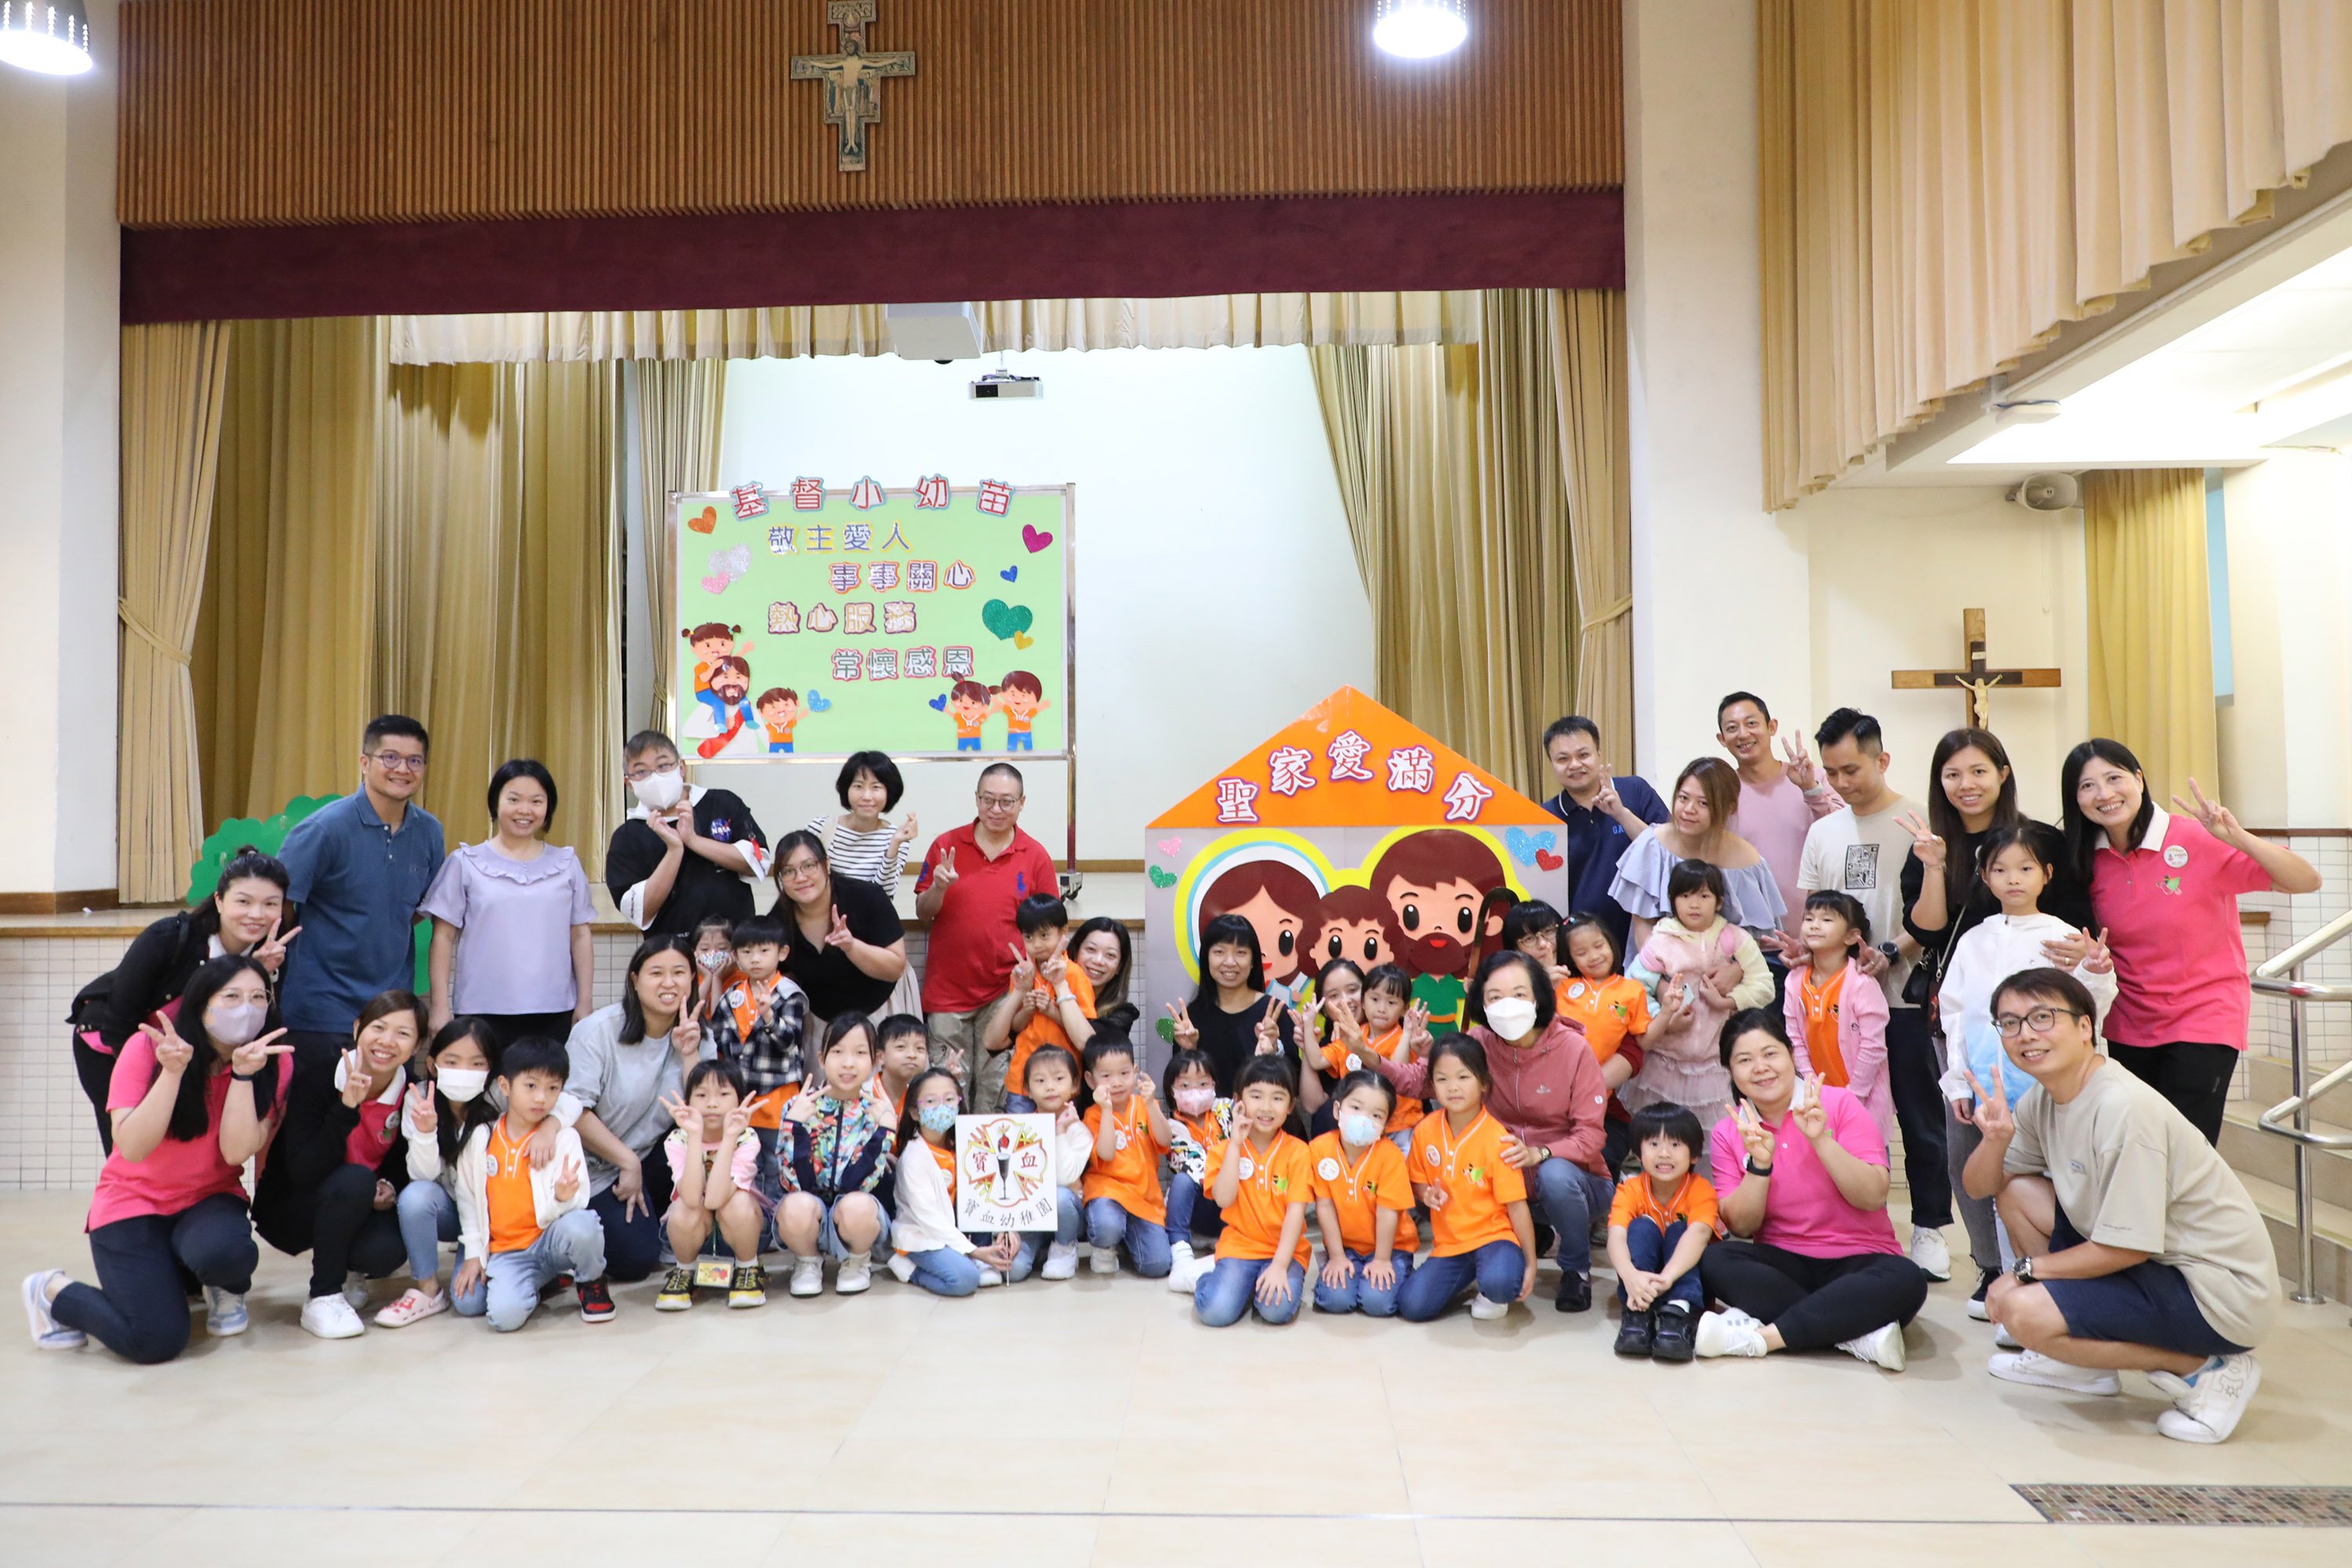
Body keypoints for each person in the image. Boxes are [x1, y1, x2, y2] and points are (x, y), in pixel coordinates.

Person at [1962, 969, 2281, 1443]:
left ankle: (2208, 1370)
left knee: (2024, 1313)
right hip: (2157, 1264)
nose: (2026, 1034)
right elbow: (1980, 1187)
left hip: (2218, 1294)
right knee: (2017, 1192)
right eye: (2010, 1023)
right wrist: (1995, 1141)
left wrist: (2027, 1271)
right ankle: (2080, 1365)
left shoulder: (2121, 1106)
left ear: (2085, 1027)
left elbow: (2127, 1249)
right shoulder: (2044, 1099)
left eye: (2042, 1017)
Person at [1901, 726, 2093, 1305]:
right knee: (1968, 1149)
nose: (1967, 783)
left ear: (2003, 774)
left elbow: (2078, 931)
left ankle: (2056, 1263)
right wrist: (1934, 866)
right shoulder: (1932, 845)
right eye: (1953, 774)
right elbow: (1927, 931)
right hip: (1969, 1032)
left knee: (2048, 1154)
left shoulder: (2041, 841)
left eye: (1979, 770)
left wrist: (2088, 963)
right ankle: (1991, 1266)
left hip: (2042, 1036)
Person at [25, 956, 292, 1363]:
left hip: (209, 1199)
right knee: (156, 1342)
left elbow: (236, 1152)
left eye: (259, 998)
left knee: (227, 1254)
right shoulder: (148, 1048)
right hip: (131, 1204)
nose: (247, 1008)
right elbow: (132, 1148)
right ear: (202, 1003)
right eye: (232, 997)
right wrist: (172, 1073)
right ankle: (52, 1292)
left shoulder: (274, 1061)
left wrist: (242, 1075)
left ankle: (224, 1285)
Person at [2064, 741, 2321, 1144]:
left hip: (2204, 1018)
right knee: (2142, 1146)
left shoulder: (2194, 838)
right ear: (2075, 798)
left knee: (2186, 1148)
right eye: (2088, 786)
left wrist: (2238, 837)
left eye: (2114, 778)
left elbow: (2306, 880)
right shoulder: (2084, 858)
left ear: (2139, 779)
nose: (2104, 794)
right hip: (2128, 1023)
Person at [1934, 824, 2119, 1311]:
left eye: (2025, 868)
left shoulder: (2061, 935)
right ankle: (2010, 1283)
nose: (2013, 879)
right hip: (1990, 1091)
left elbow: (2091, 1008)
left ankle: (2065, 1287)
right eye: (2000, 870)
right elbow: (1956, 1015)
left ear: (2046, 874)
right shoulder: (1973, 940)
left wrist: (2098, 971)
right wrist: (1958, 1082)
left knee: (2056, 1184)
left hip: (2051, 1091)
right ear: (1985, 877)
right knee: (1998, 1184)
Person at [1796, 707, 1949, 1281]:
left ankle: (1930, 1227)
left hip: (1903, 995)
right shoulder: (1822, 831)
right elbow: (1814, 912)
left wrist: (1891, 949)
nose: (1841, 783)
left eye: (1852, 770)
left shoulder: (1919, 820)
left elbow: (1938, 907)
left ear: (1882, 760)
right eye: (1832, 772)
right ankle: (1852, 1227)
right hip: (1835, 1003)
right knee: (1843, 1116)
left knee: (1919, 1115)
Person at [1373, 951, 1613, 1311]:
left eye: (1519, 994)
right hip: (1502, 1184)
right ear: (1482, 1003)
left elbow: (1591, 1137)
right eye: (1495, 997)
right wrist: (1368, 1054)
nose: (1507, 1005)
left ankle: (1576, 1269)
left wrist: (1541, 1153)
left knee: (1555, 1176)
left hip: (1574, 1181)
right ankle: (1488, 1253)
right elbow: (1422, 1081)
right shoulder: (1480, 1041)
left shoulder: (1574, 1049)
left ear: (1538, 997)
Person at [1694, 1011, 1927, 1370]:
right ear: (1730, 1071)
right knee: (1715, 1260)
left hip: (1861, 1260)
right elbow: (1741, 1226)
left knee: (1907, 1279)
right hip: (1784, 1262)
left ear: (1790, 1054)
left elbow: (1872, 1196)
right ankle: (1854, 1333)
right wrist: (1759, 1165)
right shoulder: (1731, 1131)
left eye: (1770, 1054)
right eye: (1744, 1060)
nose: (1760, 1068)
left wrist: (1820, 1140)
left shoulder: (1839, 1104)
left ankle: (1764, 1338)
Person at [68, 848, 296, 1153]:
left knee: (178, 1151)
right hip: (113, 1045)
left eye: (270, 904)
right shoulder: (169, 937)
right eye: (243, 901)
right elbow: (120, 1020)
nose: (256, 915)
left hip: (178, 1056)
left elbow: (262, 1026)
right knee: (134, 1149)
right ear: (219, 900)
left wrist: (260, 973)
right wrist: (142, 1077)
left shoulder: (273, 955)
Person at [251, 990, 427, 1338]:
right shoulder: (318, 1079)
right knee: (355, 1180)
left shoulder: (411, 1093)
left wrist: (389, 1185)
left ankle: (349, 1270)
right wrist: (346, 1108)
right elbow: (303, 1170)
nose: (387, 1041)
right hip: (294, 1206)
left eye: (403, 1033)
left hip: (359, 1203)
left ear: (417, 1045)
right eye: (379, 1027)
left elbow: (401, 1161)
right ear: (358, 1028)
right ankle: (323, 1295)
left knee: (386, 1252)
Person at [276, 714, 446, 1050]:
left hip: (392, 1010)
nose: (403, 769)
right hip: (321, 1010)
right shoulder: (325, 828)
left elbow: (421, 906)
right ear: (365, 763)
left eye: (414, 761)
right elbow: (281, 903)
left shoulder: (430, 832)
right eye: (391, 758)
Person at [554, 935, 708, 1283]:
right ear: (635, 980)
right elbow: (572, 1111)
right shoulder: (597, 1032)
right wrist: (627, 1161)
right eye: (656, 973)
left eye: (679, 973)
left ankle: (665, 1221)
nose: (669, 983)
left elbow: (702, 1115)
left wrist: (689, 1055)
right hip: (589, 1166)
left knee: (695, 1139)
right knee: (635, 1261)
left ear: (692, 979)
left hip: (648, 1159)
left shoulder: (697, 1037)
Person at [420, 759, 595, 1047]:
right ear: (495, 803)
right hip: (480, 1008)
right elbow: (443, 937)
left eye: (536, 801)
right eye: (514, 799)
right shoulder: (465, 863)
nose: (525, 810)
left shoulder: (567, 863)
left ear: (548, 808)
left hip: (554, 1009)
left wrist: (585, 1002)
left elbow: (580, 934)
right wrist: (440, 1006)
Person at [914, 763, 1060, 1109]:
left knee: (995, 1094)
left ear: (1022, 803)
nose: (996, 809)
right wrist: (938, 888)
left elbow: (1049, 928)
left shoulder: (1035, 855)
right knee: (947, 1092)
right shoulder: (946, 845)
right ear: (976, 799)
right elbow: (923, 912)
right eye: (988, 800)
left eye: (1006, 802)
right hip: (948, 993)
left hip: (1006, 993)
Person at [449, 1036, 612, 1329]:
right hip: (507, 1253)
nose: (541, 1098)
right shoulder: (481, 1137)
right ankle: (542, 1282)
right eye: (531, 1086)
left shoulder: (563, 1137)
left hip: (549, 1240)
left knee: (584, 1226)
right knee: (503, 1319)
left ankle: (591, 1281)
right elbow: (467, 1198)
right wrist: (474, 1254)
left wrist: (562, 1196)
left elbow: (580, 1199)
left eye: (553, 1088)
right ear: (504, 1086)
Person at [1396, 1036, 1540, 1322]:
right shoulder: (1425, 1130)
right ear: (1432, 1085)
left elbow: (1517, 1207)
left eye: (1463, 1077)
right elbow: (1418, 1181)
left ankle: (1492, 1281)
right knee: (1412, 1306)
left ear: (1484, 1083)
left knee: (1500, 1284)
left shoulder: (1498, 1139)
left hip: (1495, 1237)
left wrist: (1531, 1263)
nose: (1453, 1087)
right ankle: (1473, 1273)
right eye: (1442, 1079)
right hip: (1451, 1244)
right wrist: (1426, 1194)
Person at [1624, 860, 1770, 1129]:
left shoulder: (1733, 938)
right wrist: (1665, 1019)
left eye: (1704, 896)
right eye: (1685, 896)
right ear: (1672, 900)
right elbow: (1634, 990)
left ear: (1719, 901)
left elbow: (1764, 985)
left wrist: (1727, 1001)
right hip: (1665, 1062)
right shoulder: (1661, 941)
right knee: (1663, 1135)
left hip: (1717, 1063)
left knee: (1718, 1138)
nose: (1694, 904)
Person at [375, 1017, 498, 1328]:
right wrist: (426, 1132)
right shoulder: (418, 1098)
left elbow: (565, 1104)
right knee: (416, 1196)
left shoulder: (501, 1097)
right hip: (448, 1211)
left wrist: (550, 1127)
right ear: (432, 1064)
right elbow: (423, 1175)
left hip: (494, 1219)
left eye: (477, 1063)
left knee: (470, 1303)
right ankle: (427, 1289)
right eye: (452, 1062)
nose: (464, 1071)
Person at [604, 729, 771, 939]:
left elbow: (759, 862)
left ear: (681, 767)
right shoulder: (627, 835)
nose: (655, 777)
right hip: (670, 952)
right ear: (629, 782)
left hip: (735, 943)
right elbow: (639, 911)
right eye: (641, 772)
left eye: (663, 766)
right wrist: (674, 851)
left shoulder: (722, 803)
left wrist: (694, 840)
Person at [777, 1014, 895, 1298]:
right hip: (810, 1206)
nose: (848, 1063)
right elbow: (794, 1184)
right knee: (795, 1206)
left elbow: (858, 1184)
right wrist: (795, 1128)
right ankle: (807, 1261)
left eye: (860, 1053)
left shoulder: (877, 1111)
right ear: (822, 1058)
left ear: (876, 1060)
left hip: (853, 1209)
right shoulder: (799, 1105)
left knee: (858, 1206)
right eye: (838, 1052)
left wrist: (885, 1132)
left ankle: (857, 1260)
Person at [1609, 757, 1786, 946]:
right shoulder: (1652, 846)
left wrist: (1726, 966)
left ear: (1729, 808)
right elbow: (1643, 926)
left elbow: (1754, 940)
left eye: (1703, 803)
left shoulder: (1749, 862)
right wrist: (1661, 964)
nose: (1689, 810)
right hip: (1657, 960)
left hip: (1728, 962)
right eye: (1683, 798)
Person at [1192, 1055, 1313, 1327]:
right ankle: (1207, 1279)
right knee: (1215, 1314)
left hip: (1285, 1251)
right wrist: (1235, 1144)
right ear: (1239, 1101)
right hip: (1239, 1248)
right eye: (1256, 1096)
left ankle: (1251, 1286)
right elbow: (1224, 1199)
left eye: (1278, 1098)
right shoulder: (1223, 1150)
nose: (1266, 1107)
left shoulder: (1299, 1152)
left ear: (1290, 1105)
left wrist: (1280, 1266)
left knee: (1276, 1312)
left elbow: (1296, 1213)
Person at [1715, 692, 1841, 947]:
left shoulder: (1812, 777)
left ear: (1771, 727)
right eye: (1732, 728)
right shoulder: (1720, 793)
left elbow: (1843, 834)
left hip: (1817, 938)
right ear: (1722, 739)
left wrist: (1810, 790)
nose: (1743, 734)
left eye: (1751, 723)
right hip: (1746, 944)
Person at [1539, 715, 1670, 952]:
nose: (1575, 765)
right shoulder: (1545, 818)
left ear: (1599, 753)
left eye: (1583, 755)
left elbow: (1669, 853)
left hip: (1647, 935)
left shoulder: (1635, 790)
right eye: (1563, 759)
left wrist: (1622, 814)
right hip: (1582, 948)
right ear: (1551, 763)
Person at [886, 1069, 1022, 1296]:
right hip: (924, 1235)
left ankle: (978, 1257)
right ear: (915, 1112)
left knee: (1012, 1267)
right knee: (965, 1279)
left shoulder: (967, 1143)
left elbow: (989, 1190)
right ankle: (909, 1269)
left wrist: (1005, 1227)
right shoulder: (913, 1158)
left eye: (949, 1099)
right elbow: (929, 1218)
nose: (942, 1107)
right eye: (931, 1101)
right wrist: (973, 1251)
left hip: (959, 1228)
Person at [653, 1059, 768, 1310]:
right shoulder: (678, 1139)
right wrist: (694, 1135)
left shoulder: (746, 1138)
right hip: (693, 1235)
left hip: (743, 1234)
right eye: (701, 1095)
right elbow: (692, 1198)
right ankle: (685, 1270)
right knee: (684, 1206)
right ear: (688, 1101)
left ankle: (748, 1268)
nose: (712, 1103)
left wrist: (729, 1137)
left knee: (737, 1201)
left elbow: (716, 1199)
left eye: (723, 1094)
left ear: (739, 1101)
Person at [1606, 1102, 1716, 1362]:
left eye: (1675, 1145)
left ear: (1694, 1155)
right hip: (1641, 1282)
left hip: (1685, 1279)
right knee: (1641, 1226)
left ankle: (1677, 1314)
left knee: (1682, 1230)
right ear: (1638, 1152)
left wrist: (1667, 1278)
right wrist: (1630, 1275)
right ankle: (1637, 1313)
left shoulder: (1701, 1189)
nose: (1664, 1154)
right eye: (1654, 1144)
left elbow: (1700, 1234)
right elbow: (1616, 1236)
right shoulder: (1630, 1189)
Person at [1307, 1070, 1418, 1317]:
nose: (1364, 1119)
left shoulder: (1390, 1156)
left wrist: (1382, 1260)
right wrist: (1337, 1256)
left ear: (1386, 1124)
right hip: (1345, 1247)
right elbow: (1324, 1205)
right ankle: (1335, 1265)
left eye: (1376, 1115)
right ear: (1337, 1110)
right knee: (1335, 1301)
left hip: (1391, 1247)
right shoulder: (1319, 1149)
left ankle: (1400, 1271)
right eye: (1356, 1108)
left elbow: (1388, 1212)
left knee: (1377, 1303)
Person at [1784, 891, 1893, 1142]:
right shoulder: (1794, 981)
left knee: (1866, 1159)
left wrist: (1855, 1095)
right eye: (1809, 918)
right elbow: (1794, 1038)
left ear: (1852, 936)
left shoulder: (1861, 984)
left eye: (1827, 920)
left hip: (1863, 1100)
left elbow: (1873, 1047)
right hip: (1817, 1099)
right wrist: (1811, 1084)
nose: (1814, 925)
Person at [771, 829, 909, 1025]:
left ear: (827, 865)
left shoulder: (867, 897)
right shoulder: (778, 919)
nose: (800, 878)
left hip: (880, 1013)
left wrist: (851, 946)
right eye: (788, 871)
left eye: (809, 866)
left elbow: (895, 968)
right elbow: (782, 975)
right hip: (818, 1022)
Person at [1551, 914, 1650, 1171]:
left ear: (1611, 943)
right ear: (1570, 958)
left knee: (1594, 1149)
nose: (1593, 956)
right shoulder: (1562, 986)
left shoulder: (1632, 990)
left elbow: (1643, 1040)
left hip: (1598, 1094)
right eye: (1581, 952)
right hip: (1555, 1088)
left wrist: (1670, 1013)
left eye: (1598, 946)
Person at [1083, 1012, 1174, 1279]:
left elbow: (1165, 1141)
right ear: (1090, 1080)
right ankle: (1105, 1245)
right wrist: (1107, 1110)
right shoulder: (1093, 1114)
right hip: (1108, 1193)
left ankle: (1126, 1238)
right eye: (1106, 1076)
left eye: (1124, 1073)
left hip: (1145, 1198)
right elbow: (1106, 1153)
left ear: (1135, 1072)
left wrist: (1151, 1104)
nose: (1117, 1082)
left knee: (1157, 1266)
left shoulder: (1145, 1105)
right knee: (1106, 1226)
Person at [1165, 913, 1299, 1095]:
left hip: (1262, 1113)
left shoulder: (1275, 1014)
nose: (1230, 962)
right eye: (1219, 952)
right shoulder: (1191, 1020)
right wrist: (1188, 1051)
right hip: (1208, 1114)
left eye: (1240, 952)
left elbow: (1295, 1086)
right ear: (1206, 958)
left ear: (1253, 961)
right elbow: (1175, 1091)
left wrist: (1274, 1052)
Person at [991, 893, 1096, 1113]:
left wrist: (1051, 1010)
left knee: (1062, 1133)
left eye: (1044, 935)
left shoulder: (1074, 974)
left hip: (1062, 1081)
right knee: (1022, 1135)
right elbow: (1015, 1028)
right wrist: (1027, 1010)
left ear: (1063, 932)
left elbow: (1083, 1033)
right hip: (1022, 1081)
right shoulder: (1023, 974)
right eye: (1028, 937)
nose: (1036, 944)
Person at [1008, 1044, 1094, 1283]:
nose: (1050, 1087)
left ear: (1075, 1085)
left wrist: (1060, 1131)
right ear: (1027, 1089)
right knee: (1012, 1270)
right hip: (1031, 1215)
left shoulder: (1079, 1131)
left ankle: (1065, 1248)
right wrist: (1009, 1227)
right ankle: (1042, 1248)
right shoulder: (1019, 1130)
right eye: (1040, 1080)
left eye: (1059, 1079)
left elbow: (1065, 1177)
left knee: (1059, 1196)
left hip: (1067, 1215)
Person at [806, 750, 922, 896]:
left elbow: (883, 896)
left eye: (876, 787)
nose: (867, 796)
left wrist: (895, 844)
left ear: (889, 792)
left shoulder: (896, 837)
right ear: (846, 789)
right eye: (858, 786)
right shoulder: (820, 828)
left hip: (870, 911)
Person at [1160, 1046, 1228, 1290]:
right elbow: (1191, 1163)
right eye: (1185, 1085)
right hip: (1200, 1208)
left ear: (1214, 1084)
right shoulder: (1171, 1127)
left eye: (1203, 1084)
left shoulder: (1227, 1111)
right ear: (1172, 1090)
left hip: (1231, 1205)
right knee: (1183, 1180)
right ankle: (1180, 1250)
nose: (1195, 1091)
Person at [1067, 916, 1134, 1011]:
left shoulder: (1123, 1012)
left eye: (1110, 955)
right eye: (1091, 949)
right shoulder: (1050, 995)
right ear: (1075, 952)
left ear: (1120, 966)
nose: (1098, 961)